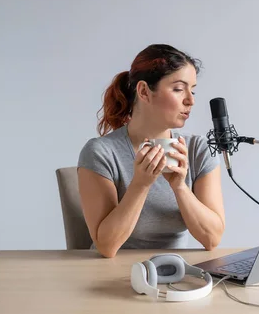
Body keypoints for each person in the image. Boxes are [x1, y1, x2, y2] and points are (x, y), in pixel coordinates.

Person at [77, 44, 224, 258]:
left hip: (175, 271)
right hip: (110, 274)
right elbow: (107, 246)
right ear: (144, 91)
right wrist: (140, 185)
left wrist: (180, 187)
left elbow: (212, 239)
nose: (190, 100)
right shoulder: (101, 152)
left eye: (192, 90)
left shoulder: (198, 150)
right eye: (178, 89)